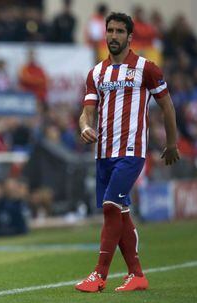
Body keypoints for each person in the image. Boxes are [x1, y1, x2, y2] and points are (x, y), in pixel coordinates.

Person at [75, 12, 179, 293]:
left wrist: (172, 143)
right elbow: (86, 113)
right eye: (110, 30)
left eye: (120, 31)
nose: (113, 36)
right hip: (103, 152)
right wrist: (85, 127)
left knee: (110, 206)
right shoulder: (96, 72)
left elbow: (167, 106)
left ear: (130, 37)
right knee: (119, 212)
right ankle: (137, 275)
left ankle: (99, 275)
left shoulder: (147, 68)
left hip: (132, 151)